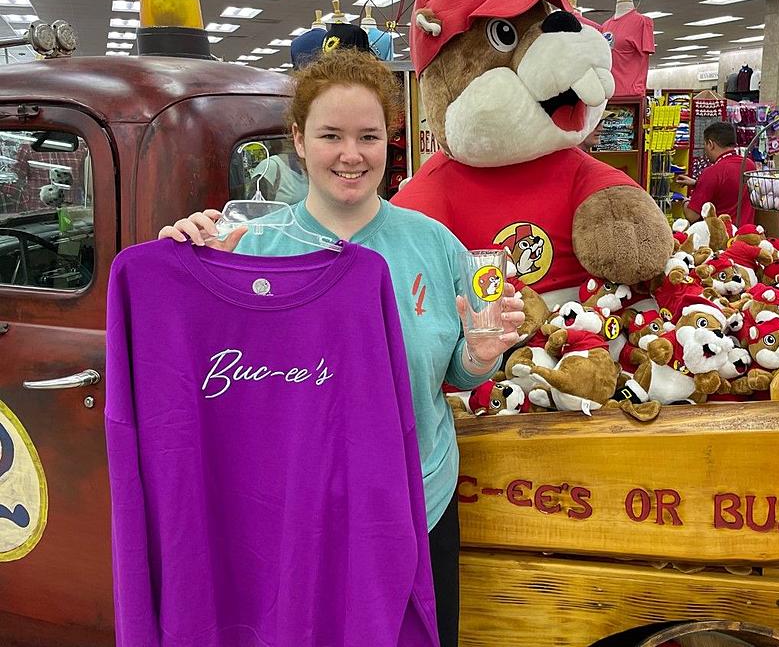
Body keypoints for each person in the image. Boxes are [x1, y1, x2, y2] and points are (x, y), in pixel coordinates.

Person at [158, 47, 525, 647]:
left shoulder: (434, 244)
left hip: (415, 503)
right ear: (299, 141)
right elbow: (200, 363)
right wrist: (183, 257)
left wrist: (481, 360)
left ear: (389, 142)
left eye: (369, 136)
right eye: (331, 135)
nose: (351, 155)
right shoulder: (251, 247)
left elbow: (456, 366)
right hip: (293, 508)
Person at [676, 121, 756, 224]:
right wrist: (697, 184)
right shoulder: (749, 164)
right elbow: (729, 191)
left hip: (721, 236)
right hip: (746, 234)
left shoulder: (712, 172)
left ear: (710, 144)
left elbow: (692, 215)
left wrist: (684, 201)